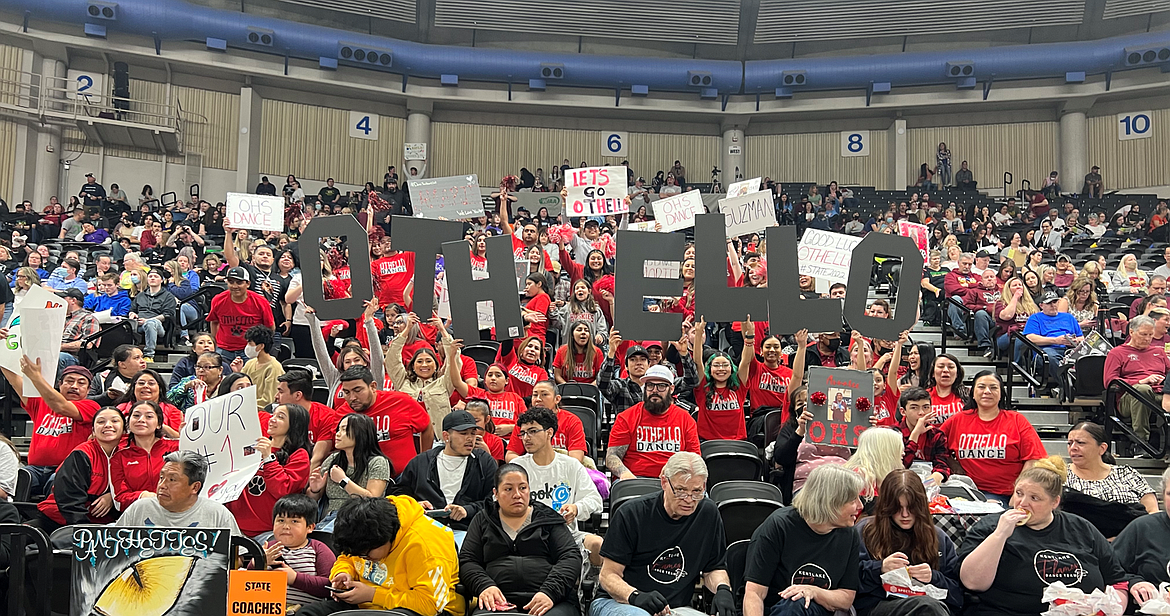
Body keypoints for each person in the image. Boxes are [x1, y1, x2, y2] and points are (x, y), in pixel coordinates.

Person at [958, 456, 1146, 616]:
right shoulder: (991, 526)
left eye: (1035, 498)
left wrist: (1110, 610)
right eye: (1019, 493)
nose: (1022, 503)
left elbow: (1117, 580)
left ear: (1054, 502)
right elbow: (972, 583)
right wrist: (1000, 535)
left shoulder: (1081, 528)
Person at [593, 452, 734, 616]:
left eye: (696, 491)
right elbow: (608, 575)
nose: (689, 499)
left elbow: (713, 568)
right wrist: (635, 596)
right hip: (620, 601)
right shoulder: (632, 514)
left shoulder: (708, 513)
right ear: (664, 482)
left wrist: (723, 589)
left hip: (675, 608)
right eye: (681, 490)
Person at [298, 496, 465, 616]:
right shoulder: (364, 527)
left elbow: (430, 605)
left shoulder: (426, 544)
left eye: (367, 555)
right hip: (366, 602)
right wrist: (343, 573)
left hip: (425, 610)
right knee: (308, 613)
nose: (363, 559)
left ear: (386, 538)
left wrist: (373, 594)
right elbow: (347, 557)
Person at [459, 464, 583, 616]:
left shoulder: (548, 518)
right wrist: (484, 586)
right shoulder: (482, 520)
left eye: (523, 488)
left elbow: (570, 557)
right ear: (495, 493)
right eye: (508, 489)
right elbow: (467, 560)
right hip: (498, 601)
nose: (517, 494)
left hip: (550, 600)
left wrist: (550, 592)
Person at [744, 464, 863, 616]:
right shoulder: (779, 526)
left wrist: (813, 591)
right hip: (778, 610)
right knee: (794, 604)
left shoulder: (849, 534)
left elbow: (846, 597)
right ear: (831, 503)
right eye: (853, 501)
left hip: (819, 611)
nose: (860, 505)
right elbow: (754, 593)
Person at [855, 470, 962, 616]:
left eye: (911, 508)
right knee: (927, 607)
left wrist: (934, 578)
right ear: (887, 507)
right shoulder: (865, 531)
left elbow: (958, 596)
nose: (905, 514)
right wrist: (879, 568)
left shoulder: (937, 537)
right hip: (878, 605)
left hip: (929, 604)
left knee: (929, 606)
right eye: (898, 508)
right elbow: (846, 584)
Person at [512, 407, 604, 561]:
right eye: (523, 433)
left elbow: (595, 500)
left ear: (549, 432)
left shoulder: (571, 465)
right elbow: (498, 503)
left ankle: (590, 582)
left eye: (533, 431)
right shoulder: (516, 467)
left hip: (566, 534)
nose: (526, 437)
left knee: (596, 543)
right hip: (525, 534)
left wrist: (576, 508)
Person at [941, 371, 1046, 505]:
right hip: (966, 491)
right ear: (972, 393)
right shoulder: (958, 420)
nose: (987, 391)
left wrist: (1019, 493)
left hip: (1005, 495)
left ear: (1001, 394)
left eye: (994, 387)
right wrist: (952, 463)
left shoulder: (1017, 420)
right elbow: (935, 446)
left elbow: (1033, 459)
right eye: (981, 387)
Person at [0, 358, 99, 497]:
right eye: (69, 381)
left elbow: (60, 406)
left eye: (81, 383)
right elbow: (15, 381)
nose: (74, 386)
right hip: (34, 469)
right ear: (60, 384)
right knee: (20, 477)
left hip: (66, 469)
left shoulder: (92, 407)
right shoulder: (41, 403)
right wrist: (3, 352)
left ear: (89, 390)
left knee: (58, 480)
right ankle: (14, 516)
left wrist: (36, 377)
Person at [396, 410, 498, 537]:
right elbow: (397, 496)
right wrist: (414, 504)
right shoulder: (421, 462)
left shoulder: (484, 462)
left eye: (473, 433)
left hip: (469, 530)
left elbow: (494, 500)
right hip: (425, 529)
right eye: (463, 433)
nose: (469, 438)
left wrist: (467, 510)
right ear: (446, 436)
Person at [26, 406, 124, 531]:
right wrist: (84, 530)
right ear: (93, 430)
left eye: (115, 421)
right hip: (63, 520)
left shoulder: (127, 455)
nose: (108, 425)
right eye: (101, 421)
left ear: (125, 429)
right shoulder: (81, 454)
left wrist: (112, 496)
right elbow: (69, 501)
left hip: (102, 523)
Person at [227, 403, 312, 537]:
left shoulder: (299, 455)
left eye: (280, 417)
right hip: (233, 525)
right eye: (273, 415)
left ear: (294, 424)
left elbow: (283, 490)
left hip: (268, 531)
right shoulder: (252, 446)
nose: (272, 419)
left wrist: (268, 458)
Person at [605, 365, 701, 479]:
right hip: (635, 478)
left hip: (674, 480)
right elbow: (612, 456)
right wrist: (625, 474)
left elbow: (694, 458)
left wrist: (678, 470)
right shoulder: (626, 417)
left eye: (661, 386)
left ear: (671, 389)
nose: (654, 390)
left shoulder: (685, 419)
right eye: (650, 385)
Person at [336, 365, 433, 477]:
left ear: (373, 386)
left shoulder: (400, 402)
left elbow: (426, 426)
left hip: (405, 477)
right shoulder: (342, 414)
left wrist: (423, 460)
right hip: (364, 481)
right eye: (347, 392)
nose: (352, 397)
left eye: (357, 390)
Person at [117, 450, 241, 534]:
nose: (162, 486)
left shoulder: (217, 514)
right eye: (161, 478)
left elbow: (237, 559)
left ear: (195, 487)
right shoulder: (140, 508)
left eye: (172, 480)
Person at [308, 412, 391, 529]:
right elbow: (311, 500)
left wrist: (343, 480)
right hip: (329, 519)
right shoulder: (332, 460)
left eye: (344, 429)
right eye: (338, 430)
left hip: (359, 519)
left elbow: (371, 499)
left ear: (360, 433)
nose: (337, 434)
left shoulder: (378, 462)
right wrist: (315, 490)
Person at [1102, 315, 1170, 451]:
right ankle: (1141, 442)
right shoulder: (1117, 353)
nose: (1147, 339)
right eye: (1143, 334)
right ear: (1132, 332)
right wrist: (1140, 381)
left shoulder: (1159, 352)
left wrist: (1165, 380)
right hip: (1129, 397)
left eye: (1151, 335)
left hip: (1159, 393)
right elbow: (1109, 381)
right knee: (1142, 389)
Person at [261, 494, 337, 611]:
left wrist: (295, 578)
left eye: (294, 521)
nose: (286, 526)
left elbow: (330, 586)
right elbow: (248, 583)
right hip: (268, 609)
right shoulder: (268, 548)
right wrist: (261, 562)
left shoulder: (319, 549)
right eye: (281, 520)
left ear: (310, 527)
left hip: (305, 611)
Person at [388, 313, 461, 431]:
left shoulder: (444, 383)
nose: (424, 365)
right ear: (413, 366)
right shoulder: (402, 381)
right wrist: (407, 330)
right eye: (420, 361)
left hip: (438, 440)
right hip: (408, 437)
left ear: (436, 365)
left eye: (428, 361)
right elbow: (392, 359)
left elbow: (455, 361)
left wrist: (442, 329)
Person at [1065, 421, 1157, 513]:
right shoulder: (1060, 477)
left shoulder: (1127, 474)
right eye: (1069, 443)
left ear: (1102, 448)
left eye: (1080, 443)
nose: (1073, 448)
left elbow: (1152, 511)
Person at [110, 401, 178, 512]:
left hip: (176, 513)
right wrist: (142, 496)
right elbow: (119, 499)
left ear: (159, 424)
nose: (141, 420)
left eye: (149, 416)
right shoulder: (119, 456)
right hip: (139, 515)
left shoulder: (176, 448)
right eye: (136, 415)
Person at [1113, 467, 1170, 596]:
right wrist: (1133, 582)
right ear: (1162, 494)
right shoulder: (1142, 527)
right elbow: (1109, 569)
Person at [503, 381, 589, 463]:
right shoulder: (524, 421)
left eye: (544, 394)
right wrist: (530, 465)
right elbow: (511, 455)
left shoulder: (572, 421)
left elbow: (576, 457)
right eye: (535, 395)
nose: (538, 399)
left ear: (557, 399)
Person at [207, 266, 275, 362]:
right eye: (231, 282)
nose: (235, 286)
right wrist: (215, 343)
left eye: (239, 282)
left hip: (250, 349)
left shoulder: (260, 301)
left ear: (247, 284)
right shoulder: (218, 299)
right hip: (224, 349)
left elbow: (270, 327)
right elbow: (214, 322)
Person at [894, 387, 951, 485]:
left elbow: (942, 464)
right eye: (914, 407)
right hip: (899, 483)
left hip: (929, 481)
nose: (921, 413)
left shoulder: (937, 435)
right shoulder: (893, 433)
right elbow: (900, 466)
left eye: (925, 407)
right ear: (903, 411)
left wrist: (938, 475)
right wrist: (915, 434)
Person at [1023, 290, 1083, 383]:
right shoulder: (1035, 318)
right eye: (1049, 303)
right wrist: (1056, 340)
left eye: (1054, 302)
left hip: (1069, 349)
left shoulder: (1069, 317)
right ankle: (1069, 388)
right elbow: (1030, 338)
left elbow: (1081, 337)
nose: (1053, 305)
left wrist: (1074, 341)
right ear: (1041, 305)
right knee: (1050, 356)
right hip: (1046, 350)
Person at [128, 268, 177, 362]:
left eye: (156, 276)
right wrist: (132, 314)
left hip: (159, 325)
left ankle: (149, 355)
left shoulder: (168, 296)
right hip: (138, 324)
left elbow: (168, 315)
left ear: (161, 280)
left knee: (150, 323)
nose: (152, 278)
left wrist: (147, 320)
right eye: (150, 276)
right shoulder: (140, 295)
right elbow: (132, 310)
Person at [240, 325, 285, 409]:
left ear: (260, 346)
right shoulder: (250, 363)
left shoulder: (274, 368)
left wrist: (245, 405)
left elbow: (268, 401)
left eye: (250, 343)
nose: (247, 346)